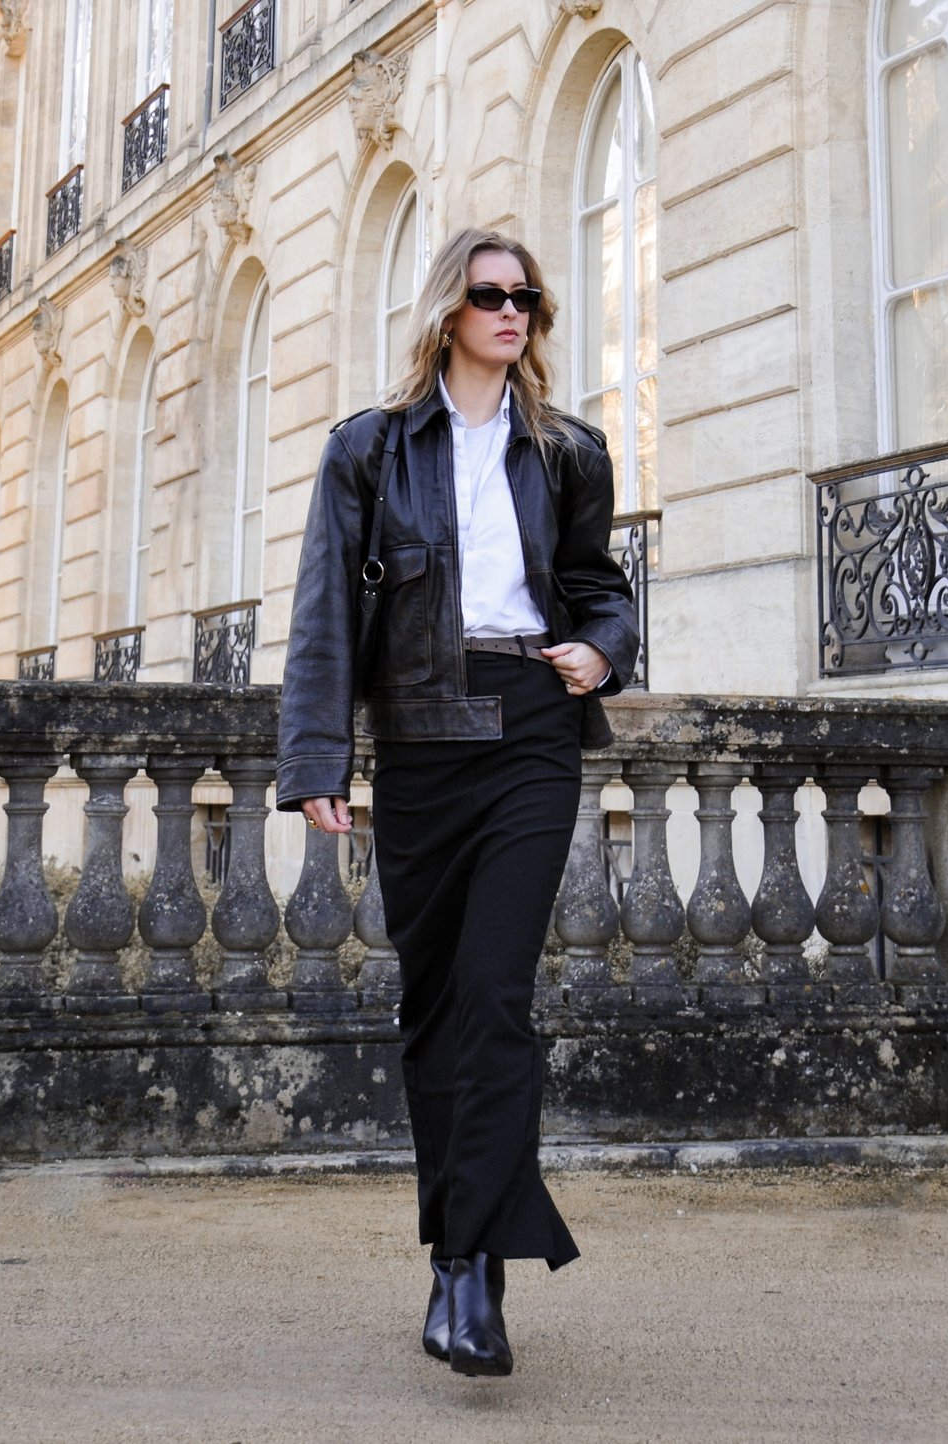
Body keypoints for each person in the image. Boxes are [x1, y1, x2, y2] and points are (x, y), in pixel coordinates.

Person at [276, 228, 639, 1378]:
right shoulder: (369, 452)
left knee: (493, 995)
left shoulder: (567, 451)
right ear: (447, 311)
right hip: (423, 744)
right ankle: (452, 1258)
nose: (511, 311)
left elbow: (596, 587)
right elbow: (326, 615)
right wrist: (317, 761)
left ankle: (474, 1276)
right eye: (490, 295)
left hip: (530, 724)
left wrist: (600, 650)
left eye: (526, 296)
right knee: (433, 1011)